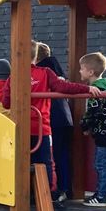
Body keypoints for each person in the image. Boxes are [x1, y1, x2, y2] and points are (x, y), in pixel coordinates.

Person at [1, 43, 100, 211]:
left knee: (21, 162)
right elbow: (64, 87)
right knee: (46, 163)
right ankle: (47, 196)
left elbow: (6, 101)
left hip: (21, 128)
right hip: (41, 128)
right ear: (36, 57)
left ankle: (23, 195)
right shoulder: (45, 73)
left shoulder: (15, 76)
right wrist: (87, 88)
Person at [77, 53, 106, 205]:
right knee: (102, 164)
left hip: (104, 133)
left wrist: (84, 125)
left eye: (81, 69)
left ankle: (101, 196)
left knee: (101, 165)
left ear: (90, 72)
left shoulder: (95, 91)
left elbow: (93, 112)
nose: (79, 72)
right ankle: (100, 193)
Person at [35, 42, 75, 202]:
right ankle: (65, 189)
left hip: (51, 119)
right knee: (62, 154)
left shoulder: (43, 72)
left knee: (48, 156)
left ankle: (54, 189)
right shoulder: (57, 71)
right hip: (65, 118)